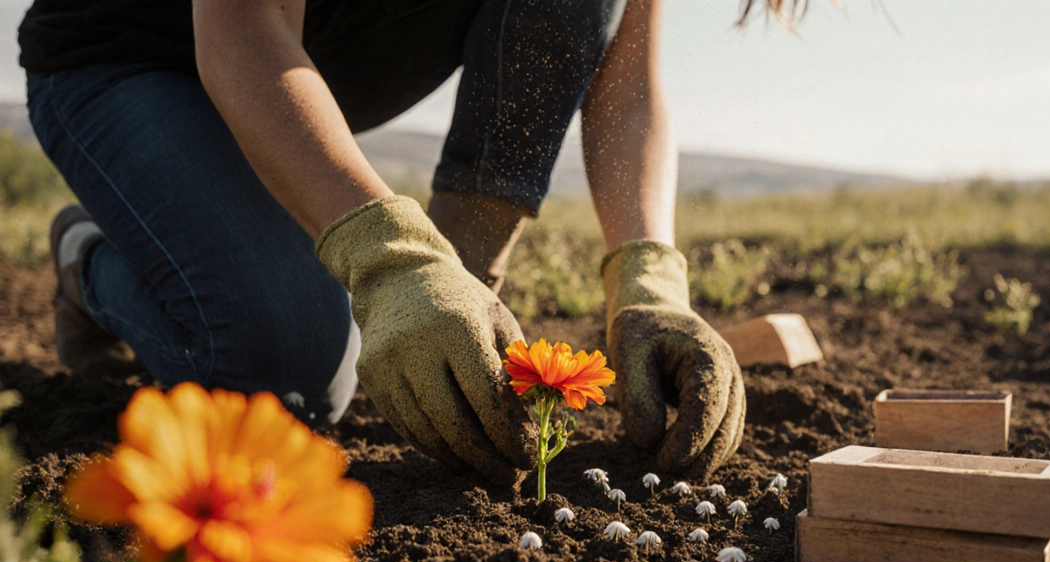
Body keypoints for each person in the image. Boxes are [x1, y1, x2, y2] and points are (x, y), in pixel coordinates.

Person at [18, 0, 751, 485]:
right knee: (285, 372)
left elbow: (624, 78)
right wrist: (390, 260)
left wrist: (650, 275)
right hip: (130, 61)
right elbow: (241, 31)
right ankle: (88, 259)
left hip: (298, 75)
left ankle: (459, 320)